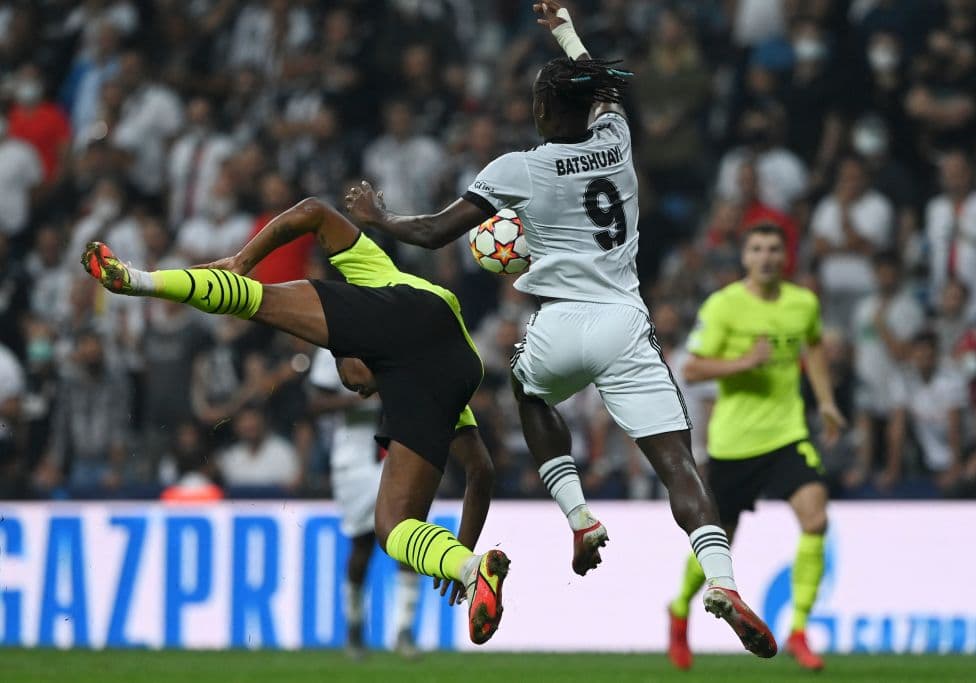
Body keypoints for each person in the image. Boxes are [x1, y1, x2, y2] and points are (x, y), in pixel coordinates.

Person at [344, 0, 776, 660]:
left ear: (544, 110)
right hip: (626, 322)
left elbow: (432, 233)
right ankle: (722, 581)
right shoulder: (616, 140)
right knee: (678, 464)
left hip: (560, 322)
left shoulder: (518, 168)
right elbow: (603, 87)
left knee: (528, 391)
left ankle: (579, 516)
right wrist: (569, 32)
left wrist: (380, 217)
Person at [80, 195, 505, 645]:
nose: (360, 391)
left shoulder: (371, 284)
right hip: (460, 359)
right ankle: (472, 570)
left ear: (349, 352)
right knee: (394, 527)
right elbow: (481, 471)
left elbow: (314, 210)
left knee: (255, 300)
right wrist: (462, 554)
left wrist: (243, 260)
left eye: (351, 379)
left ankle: (136, 280)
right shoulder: (425, 381)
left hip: (413, 317)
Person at [671, 224, 847, 671]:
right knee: (720, 542)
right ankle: (679, 607)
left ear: (786, 256)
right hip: (734, 443)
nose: (765, 257)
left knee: (816, 519)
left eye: (773, 249)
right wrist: (744, 362)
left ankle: (799, 630)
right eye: (756, 249)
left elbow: (814, 349)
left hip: (788, 434)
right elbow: (691, 369)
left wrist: (826, 402)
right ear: (744, 257)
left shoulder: (802, 303)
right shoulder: (724, 305)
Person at [307, 346, 420, 658]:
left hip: (400, 448)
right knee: (362, 544)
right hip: (355, 455)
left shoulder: (400, 337)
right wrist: (366, 397)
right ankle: (354, 628)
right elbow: (315, 404)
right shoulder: (335, 346)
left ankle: (404, 630)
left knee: (408, 537)